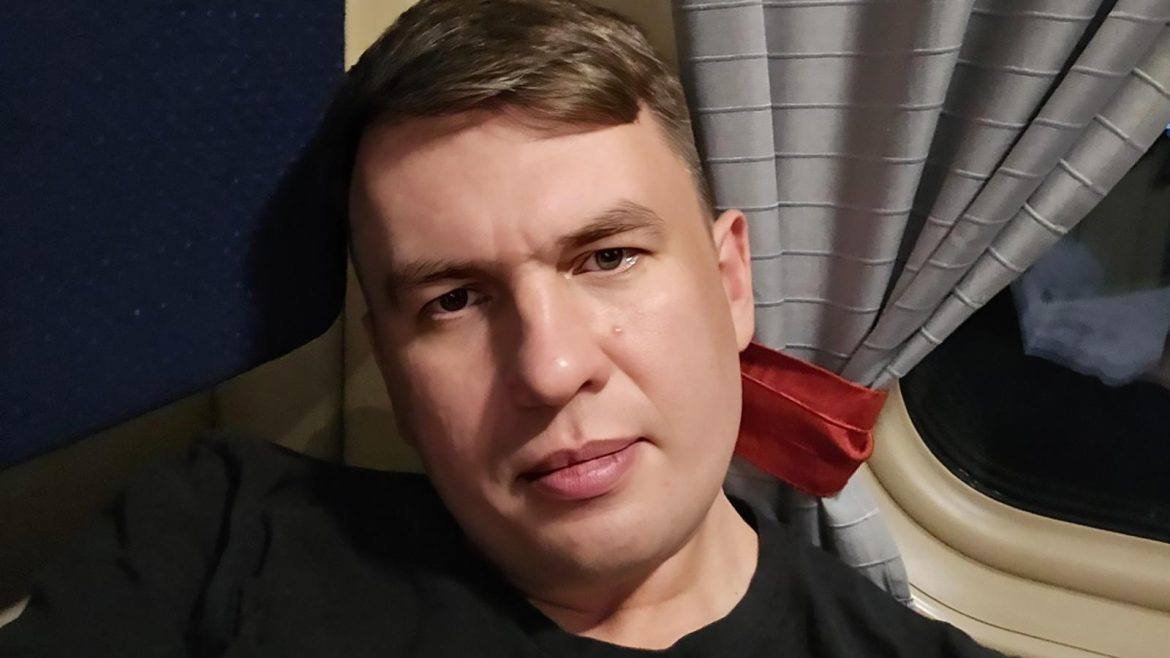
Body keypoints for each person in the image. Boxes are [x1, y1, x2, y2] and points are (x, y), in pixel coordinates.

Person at [0, 1, 1006, 655]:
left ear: (731, 280)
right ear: (391, 364)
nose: (551, 368)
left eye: (607, 258)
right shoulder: (211, 538)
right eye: (453, 300)